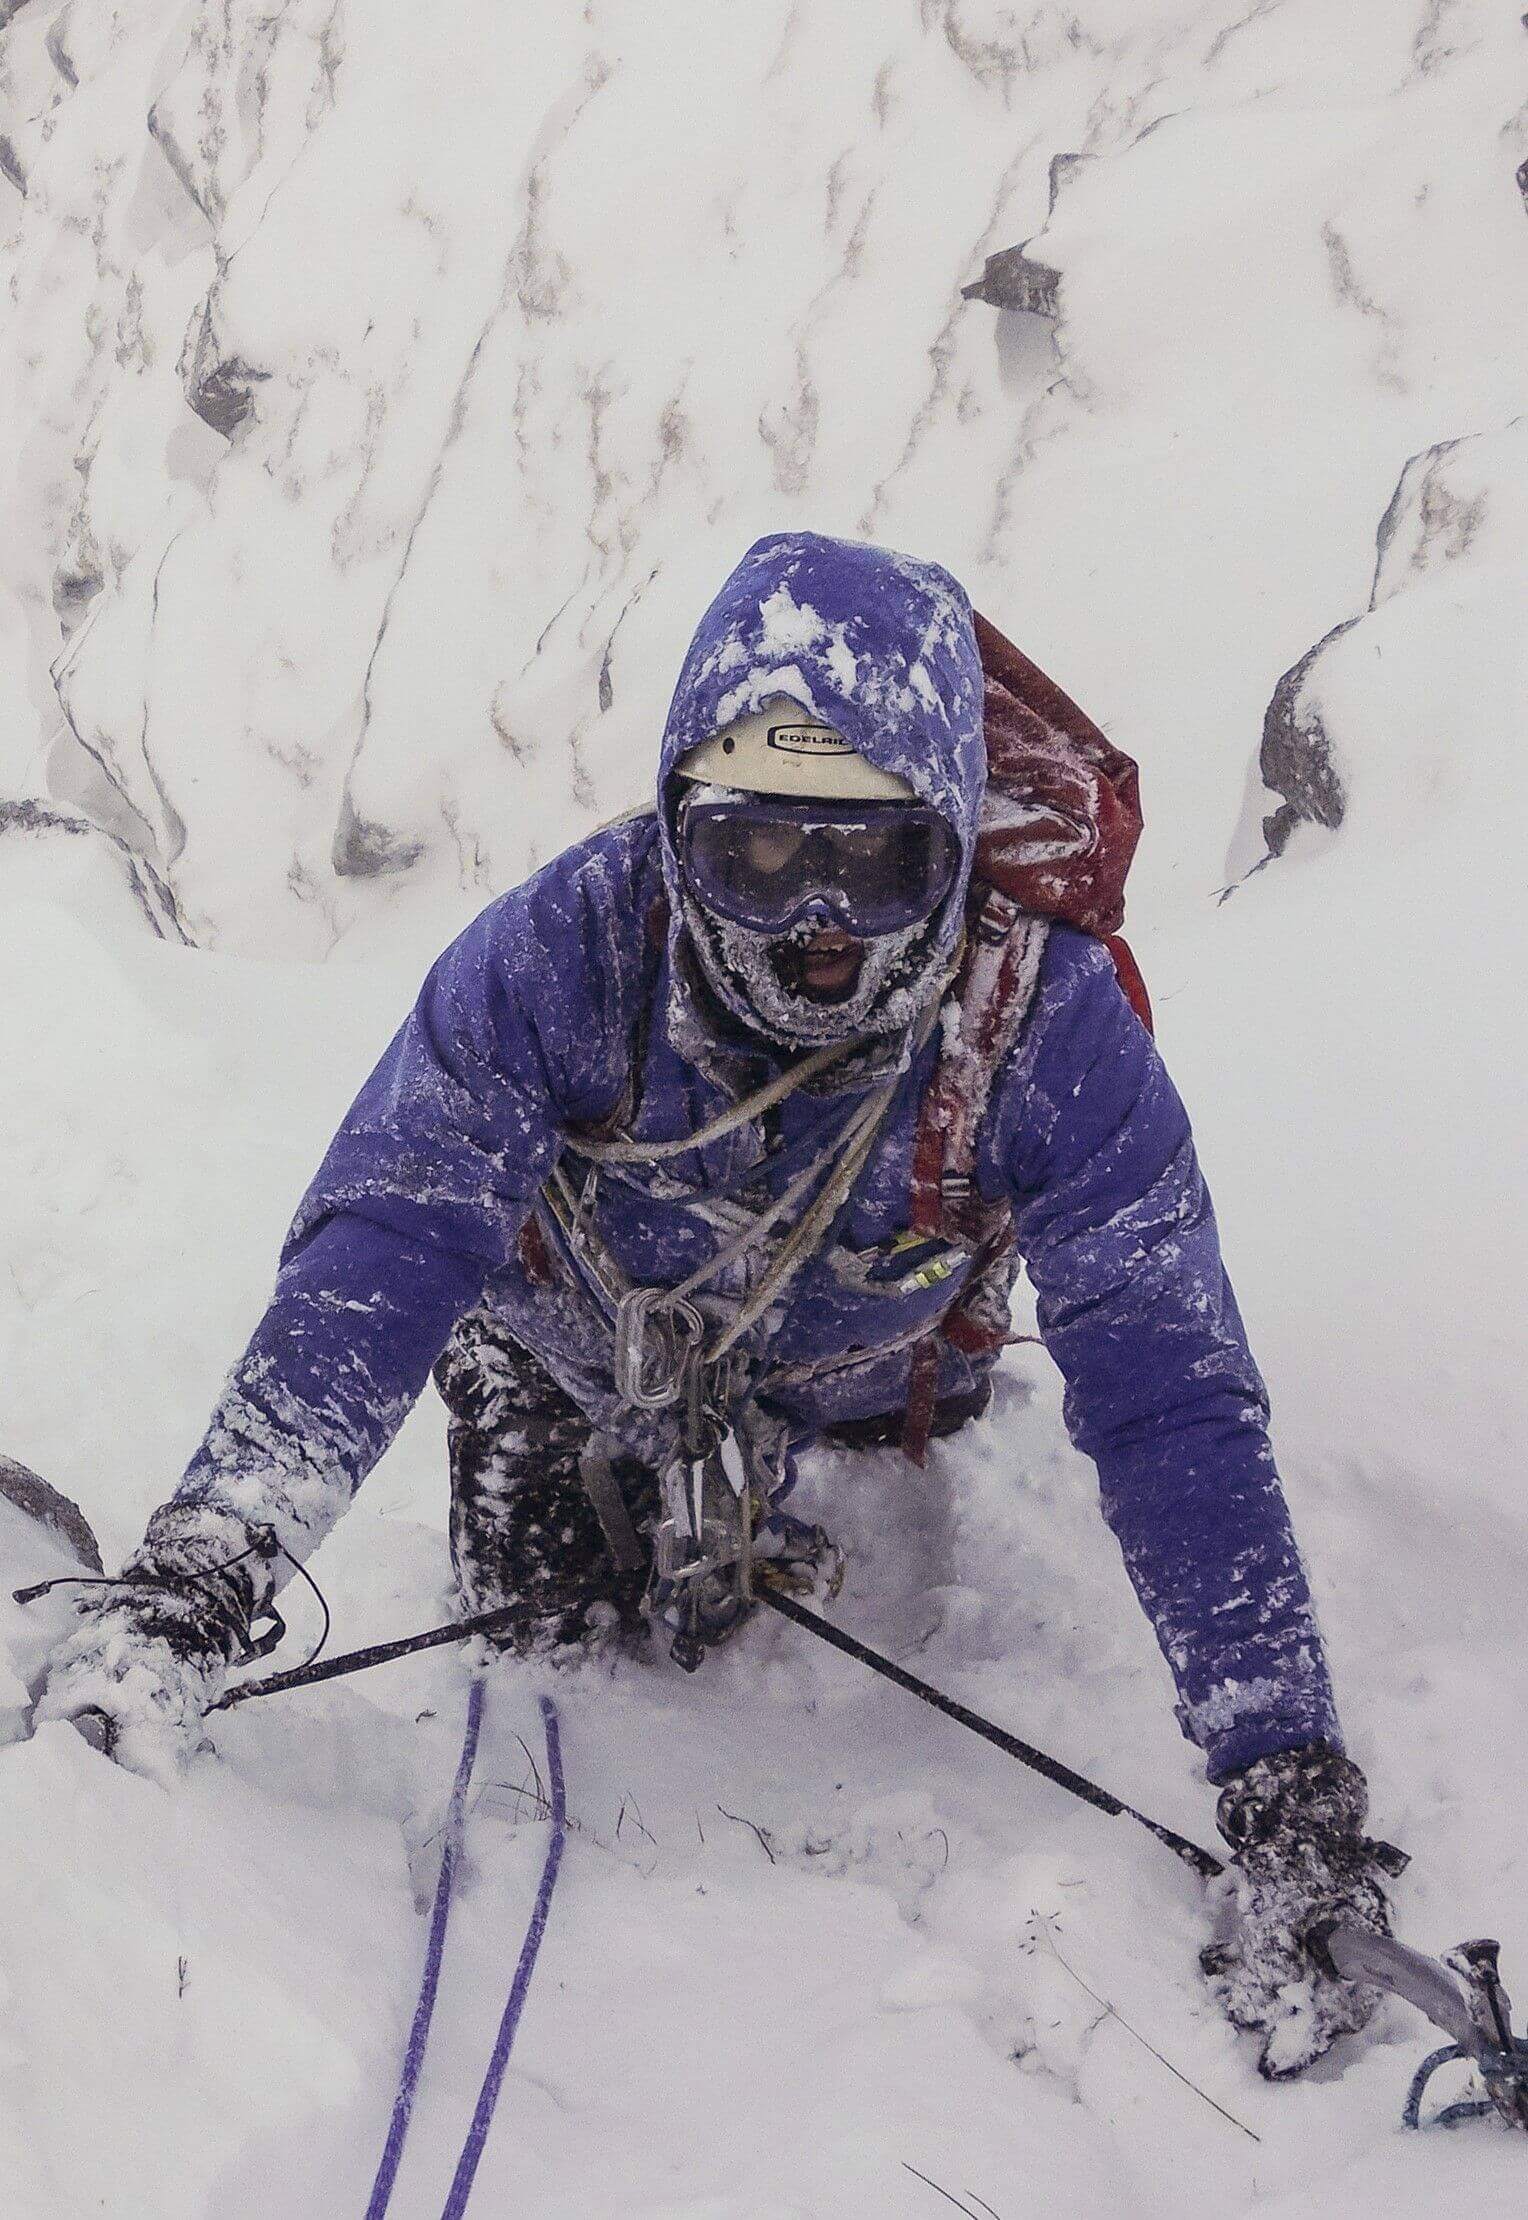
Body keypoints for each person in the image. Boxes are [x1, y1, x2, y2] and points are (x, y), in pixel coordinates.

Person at [38, 530, 1398, 2079]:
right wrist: (206, 1572)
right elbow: (385, 1256)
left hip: (870, 1365)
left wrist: (1282, 1763)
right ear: (681, 829)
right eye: (760, 854)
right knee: (565, 1609)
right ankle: (550, 1424)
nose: (818, 924)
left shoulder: (1044, 1024)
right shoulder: (566, 952)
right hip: (584, 1344)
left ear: (952, 846)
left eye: (877, 863)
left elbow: (1169, 1393)